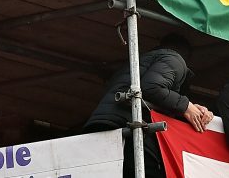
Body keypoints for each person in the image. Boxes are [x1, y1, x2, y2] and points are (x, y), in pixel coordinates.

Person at [84, 33, 214, 178]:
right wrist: (185, 106)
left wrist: (189, 106)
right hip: (128, 127)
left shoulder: (141, 62)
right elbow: (152, 88)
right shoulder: (175, 59)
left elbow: (149, 93)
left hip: (104, 124)